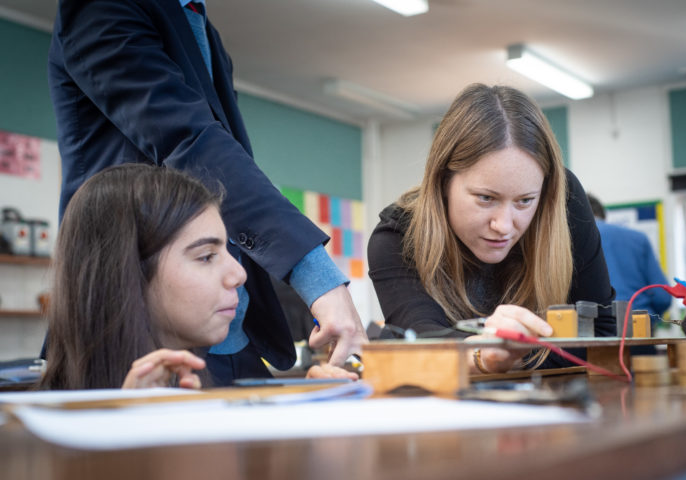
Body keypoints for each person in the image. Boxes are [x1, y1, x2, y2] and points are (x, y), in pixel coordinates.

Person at [47, 0, 367, 379]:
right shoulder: (103, 8)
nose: (237, 274)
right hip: (134, 334)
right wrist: (318, 279)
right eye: (205, 256)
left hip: (228, 335)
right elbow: (192, 142)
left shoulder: (197, 22)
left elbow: (220, 158)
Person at [367, 84, 616, 374]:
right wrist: (486, 355)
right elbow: (424, 344)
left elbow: (602, 336)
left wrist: (505, 355)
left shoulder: (563, 201)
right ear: (443, 180)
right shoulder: (396, 237)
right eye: (486, 198)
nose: (504, 226)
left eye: (524, 201)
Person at [40, 164, 356, 389]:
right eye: (206, 256)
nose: (239, 274)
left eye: (229, 254)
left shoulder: (203, 388)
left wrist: (311, 416)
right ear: (125, 273)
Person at [587, 193, 672, 323]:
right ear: (603, 214)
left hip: (595, 329)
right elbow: (663, 296)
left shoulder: (573, 241)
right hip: (639, 324)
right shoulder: (638, 238)